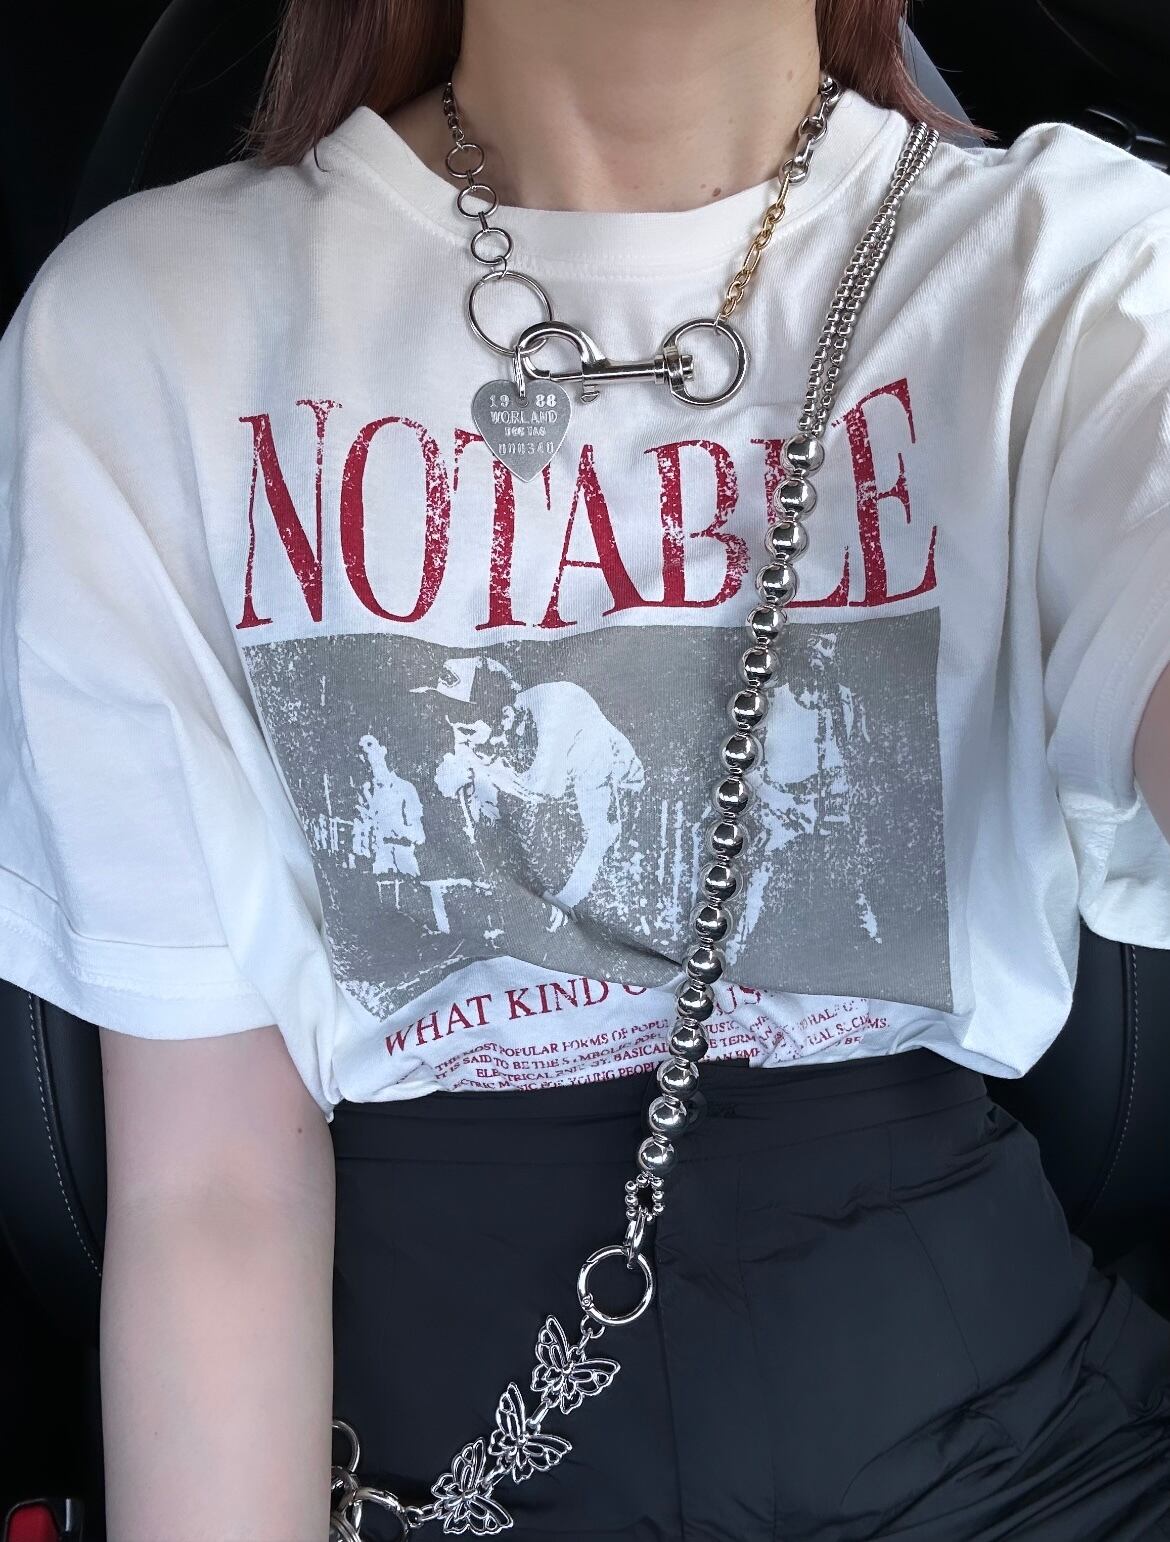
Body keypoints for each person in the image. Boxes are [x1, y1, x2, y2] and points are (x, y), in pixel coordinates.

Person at [1, 2, 1169, 1538]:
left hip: (1019, 1442)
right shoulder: (148, 328)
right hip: (432, 1461)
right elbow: (212, 1190)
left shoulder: (1078, 272)